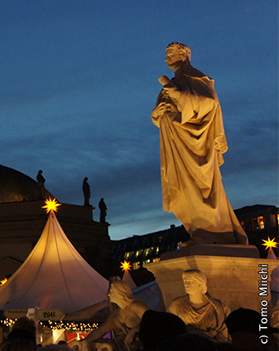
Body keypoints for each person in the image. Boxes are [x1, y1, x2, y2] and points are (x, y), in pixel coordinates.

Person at [151, 42, 247, 246]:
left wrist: (178, 95)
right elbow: (159, 113)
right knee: (185, 189)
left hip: (197, 142)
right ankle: (199, 231)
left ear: (184, 56)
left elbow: (209, 103)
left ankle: (214, 233)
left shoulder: (196, 78)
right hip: (176, 141)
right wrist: (157, 114)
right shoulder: (172, 83)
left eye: (170, 53)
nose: (166, 58)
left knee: (201, 187)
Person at [77, 281, 149, 351]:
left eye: (111, 291)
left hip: (139, 345)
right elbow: (100, 331)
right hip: (120, 345)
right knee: (94, 344)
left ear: (120, 292)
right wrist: (85, 341)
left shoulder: (136, 306)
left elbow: (152, 319)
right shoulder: (115, 315)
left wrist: (135, 330)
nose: (109, 295)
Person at [168, 270, 229, 340]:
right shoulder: (176, 305)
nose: (186, 284)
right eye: (185, 281)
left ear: (200, 284)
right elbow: (170, 328)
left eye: (190, 281)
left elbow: (225, 331)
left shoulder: (218, 307)